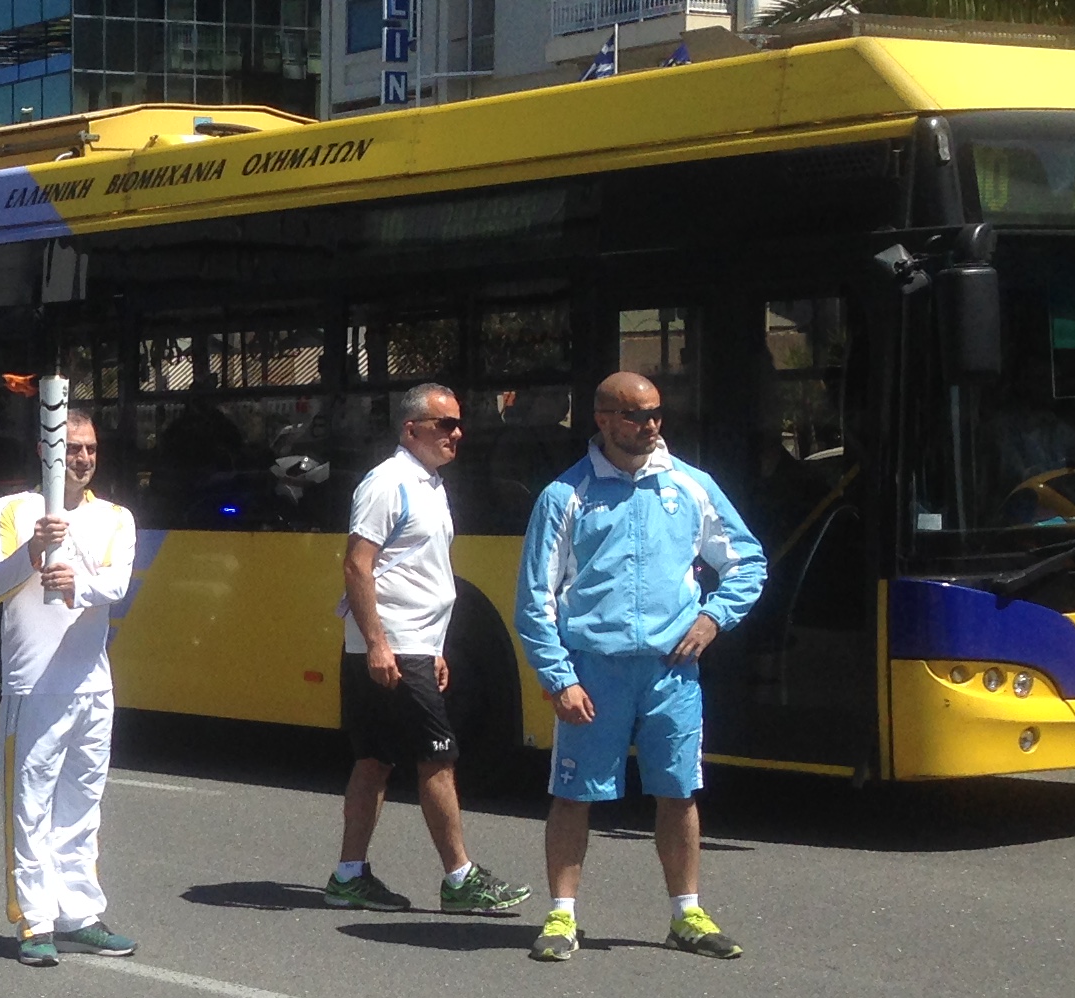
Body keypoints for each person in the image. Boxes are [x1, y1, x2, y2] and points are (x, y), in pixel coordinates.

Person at [514, 371, 768, 964]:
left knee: (679, 793)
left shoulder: (691, 486)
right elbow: (535, 599)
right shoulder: (564, 496)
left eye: (656, 414)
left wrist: (713, 619)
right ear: (602, 419)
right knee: (574, 795)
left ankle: (687, 914)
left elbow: (748, 561)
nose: (650, 426)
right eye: (634, 416)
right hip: (593, 673)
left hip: (670, 672)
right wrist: (560, 678)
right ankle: (561, 916)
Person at [325, 385, 532, 916]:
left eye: (458, 424)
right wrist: (377, 644)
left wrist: (435, 647)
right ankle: (460, 879)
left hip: (413, 645)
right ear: (410, 429)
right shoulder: (388, 483)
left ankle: (349, 875)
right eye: (444, 425)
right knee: (438, 759)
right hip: (394, 648)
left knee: (374, 760)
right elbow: (357, 565)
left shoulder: (430, 485)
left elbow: (423, 573)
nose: (456, 433)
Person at [0, 404, 140, 967]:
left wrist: (80, 583)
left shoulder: (116, 518)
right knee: (30, 806)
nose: (84, 458)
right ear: (48, 452)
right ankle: (34, 920)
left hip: (92, 685)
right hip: (33, 683)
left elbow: (117, 584)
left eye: (91, 448)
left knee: (82, 804)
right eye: (72, 448)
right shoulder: (11, 511)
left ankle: (79, 914)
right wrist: (31, 553)